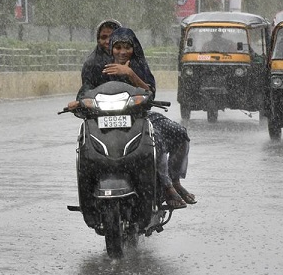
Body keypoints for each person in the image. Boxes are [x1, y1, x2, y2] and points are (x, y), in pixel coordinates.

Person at [68, 27, 196, 209]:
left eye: (127, 47)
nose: (122, 52)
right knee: (86, 147)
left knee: (175, 135)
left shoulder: (139, 65)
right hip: (105, 118)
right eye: (117, 47)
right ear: (111, 48)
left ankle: (172, 183)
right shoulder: (99, 67)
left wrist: (130, 74)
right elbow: (86, 90)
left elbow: (150, 93)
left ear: (134, 48)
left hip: (141, 116)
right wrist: (78, 102)